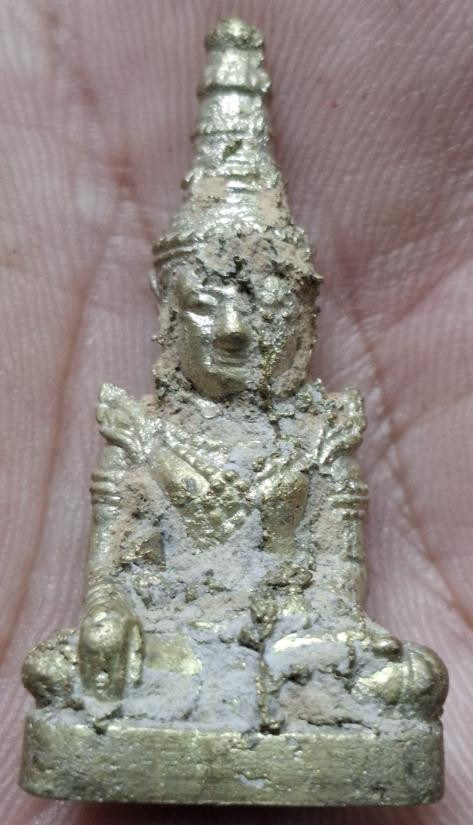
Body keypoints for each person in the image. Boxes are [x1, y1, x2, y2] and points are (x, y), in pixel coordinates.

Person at [2, 2, 471, 823]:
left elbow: (337, 584)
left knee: (410, 680)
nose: (231, 329)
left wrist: (315, 633)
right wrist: (108, 624)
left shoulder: (319, 437)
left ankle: (265, 698)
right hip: (168, 648)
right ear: (167, 308)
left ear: (301, 315)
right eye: (207, 301)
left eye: (260, 303)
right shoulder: (143, 436)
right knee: (60, 668)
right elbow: (110, 579)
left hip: (293, 641)